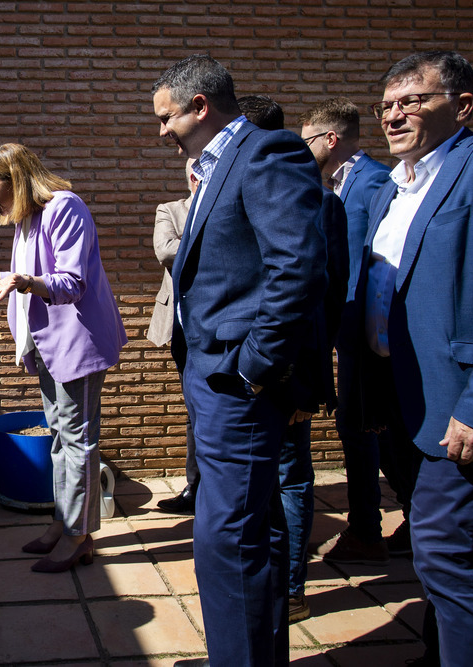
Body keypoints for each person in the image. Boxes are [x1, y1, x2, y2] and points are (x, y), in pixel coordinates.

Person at [348, 50, 473, 666]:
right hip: (401, 399)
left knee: (445, 552)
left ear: (463, 106)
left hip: (457, 402)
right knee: (432, 550)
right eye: (387, 105)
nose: (394, 116)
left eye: (413, 101)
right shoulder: (389, 187)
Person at [152, 56, 327, 667]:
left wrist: (253, 367)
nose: (162, 131)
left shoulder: (267, 153)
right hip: (212, 372)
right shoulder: (214, 165)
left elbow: (297, 269)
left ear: (201, 106)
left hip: (238, 380)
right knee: (257, 530)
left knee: (225, 537)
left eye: (166, 117)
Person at [0, 143, 127, 573]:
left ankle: (78, 537)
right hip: (47, 345)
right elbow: (27, 277)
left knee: (78, 442)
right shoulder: (26, 219)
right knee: (61, 440)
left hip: (76, 344)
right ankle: (63, 524)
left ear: (16, 179)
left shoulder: (65, 207)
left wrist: (22, 281)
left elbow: (71, 283)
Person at [237, 94, 349, 624]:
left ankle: (294, 588)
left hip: (290, 372)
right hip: (257, 370)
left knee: (291, 477)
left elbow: (321, 297)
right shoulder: (242, 188)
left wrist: (308, 382)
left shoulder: (317, 200)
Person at [299, 98, 417, 566]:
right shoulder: (346, 184)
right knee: (365, 429)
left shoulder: (373, 184)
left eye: (307, 140)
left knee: (367, 428)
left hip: (364, 335)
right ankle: (391, 522)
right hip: (352, 332)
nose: (302, 149)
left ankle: (372, 527)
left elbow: (365, 268)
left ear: (330, 139)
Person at [148, 159, 200, 513]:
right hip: (182, 326)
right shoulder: (170, 209)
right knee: (195, 409)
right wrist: (215, 236)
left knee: (215, 410)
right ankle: (195, 489)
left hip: (223, 324)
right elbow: (165, 250)